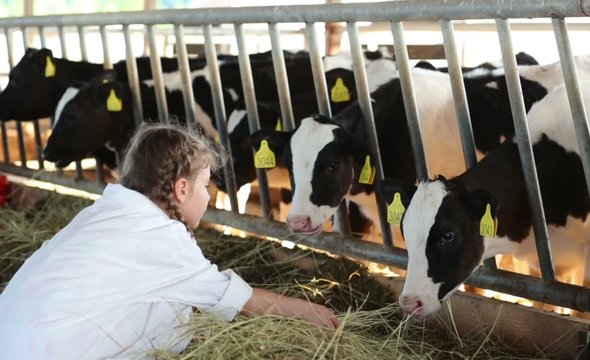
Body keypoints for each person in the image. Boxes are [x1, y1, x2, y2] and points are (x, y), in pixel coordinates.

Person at [0, 123, 339, 359]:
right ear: (181, 189)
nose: (207, 196)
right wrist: (311, 311)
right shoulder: (161, 237)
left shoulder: (103, 213)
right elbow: (242, 301)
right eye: (205, 185)